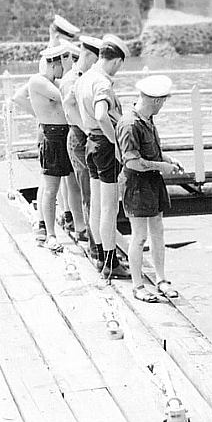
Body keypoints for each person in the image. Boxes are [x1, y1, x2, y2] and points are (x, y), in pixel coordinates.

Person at [118, 75, 185, 303]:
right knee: (139, 237)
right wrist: (162, 166)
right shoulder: (130, 124)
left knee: (158, 230)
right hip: (136, 184)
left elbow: (152, 151)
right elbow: (132, 162)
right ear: (156, 101)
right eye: (163, 101)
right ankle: (138, 285)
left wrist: (169, 160)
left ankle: (161, 278)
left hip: (152, 182)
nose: (163, 105)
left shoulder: (147, 119)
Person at [15, 43, 77, 252]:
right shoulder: (39, 81)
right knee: (51, 188)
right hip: (52, 136)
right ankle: (50, 234)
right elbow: (66, 97)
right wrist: (40, 115)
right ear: (54, 63)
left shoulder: (51, 81)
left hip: (62, 134)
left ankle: (69, 223)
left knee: (63, 184)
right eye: (63, 63)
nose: (63, 69)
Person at [78, 33, 130, 279]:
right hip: (105, 145)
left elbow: (71, 108)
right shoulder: (102, 83)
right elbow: (101, 114)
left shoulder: (84, 78)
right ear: (117, 61)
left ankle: (100, 256)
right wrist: (115, 143)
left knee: (97, 204)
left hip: (90, 142)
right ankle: (111, 262)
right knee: (109, 207)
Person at [60, 34, 101, 244]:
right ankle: (88, 235)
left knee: (88, 189)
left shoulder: (88, 77)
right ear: (88, 55)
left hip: (87, 135)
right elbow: (70, 112)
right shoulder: (71, 80)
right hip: (79, 135)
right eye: (97, 58)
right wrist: (90, 131)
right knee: (87, 191)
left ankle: (87, 231)